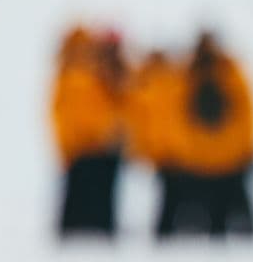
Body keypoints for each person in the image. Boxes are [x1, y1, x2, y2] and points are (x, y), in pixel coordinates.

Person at [163, 31, 253, 238]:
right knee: (211, 220)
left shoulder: (190, 74)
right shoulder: (225, 72)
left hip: (206, 156)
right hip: (218, 155)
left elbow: (173, 114)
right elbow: (248, 112)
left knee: (205, 219)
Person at [51, 26, 127, 238]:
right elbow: (76, 112)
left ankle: (94, 233)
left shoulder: (100, 71)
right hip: (86, 144)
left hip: (99, 144)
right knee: (81, 196)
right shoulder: (79, 74)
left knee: (99, 197)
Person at [125, 48, 189, 239]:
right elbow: (138, 120)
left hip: (176, 150)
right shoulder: (147, 83)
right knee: (168, 194)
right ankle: (165, 232)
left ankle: (172, 231)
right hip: (162, 150)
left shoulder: (175, 82)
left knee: (175, 195)